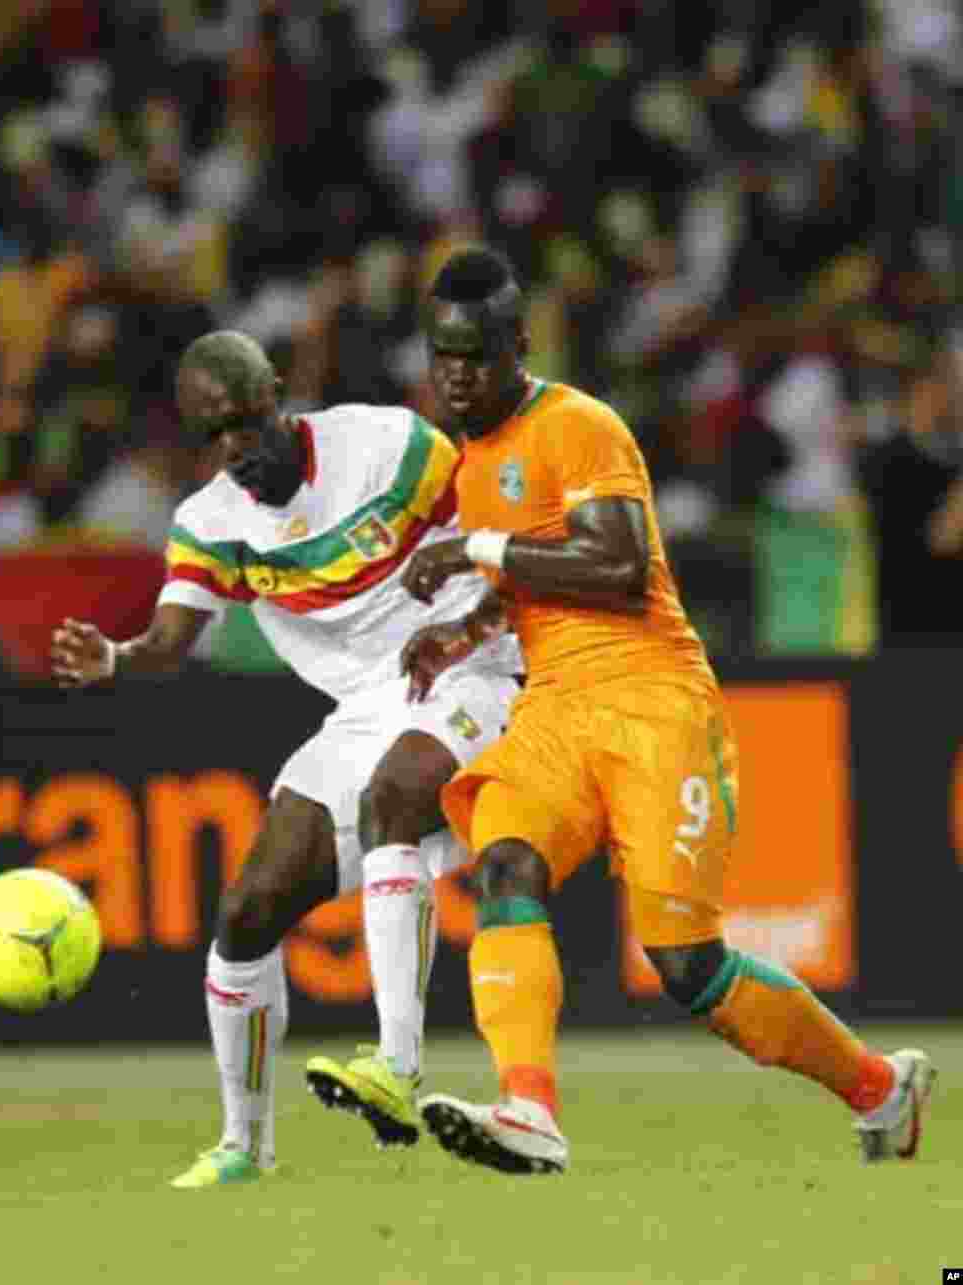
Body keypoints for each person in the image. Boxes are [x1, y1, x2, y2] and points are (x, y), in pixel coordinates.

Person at [399, 247, 934, 1175]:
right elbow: (528, 577)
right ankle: (528, 1106)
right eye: (442, 355)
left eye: (476, 354)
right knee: (504, 864)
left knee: (689, 966)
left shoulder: (580, 426)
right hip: (556, 704)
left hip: (652, 699)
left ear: (518, 345)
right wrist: (468, 627)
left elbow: (614, 566)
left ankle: (879, 1086)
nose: (456, 374)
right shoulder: (470, 463)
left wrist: (477, 551)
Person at [51, 330, 521, 1186]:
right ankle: (243, 1145)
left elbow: (505, 534)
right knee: (246, 912)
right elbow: (167, 641)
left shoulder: (389, 445)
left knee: (394, 799)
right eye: (212, 435)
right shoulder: (211, 521)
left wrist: (472, 622)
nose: (235, 449)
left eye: (245, 421)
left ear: (277, 391)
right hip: (364, 711)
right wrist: (115, 659)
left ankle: (395, 1066)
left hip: (474, 668)